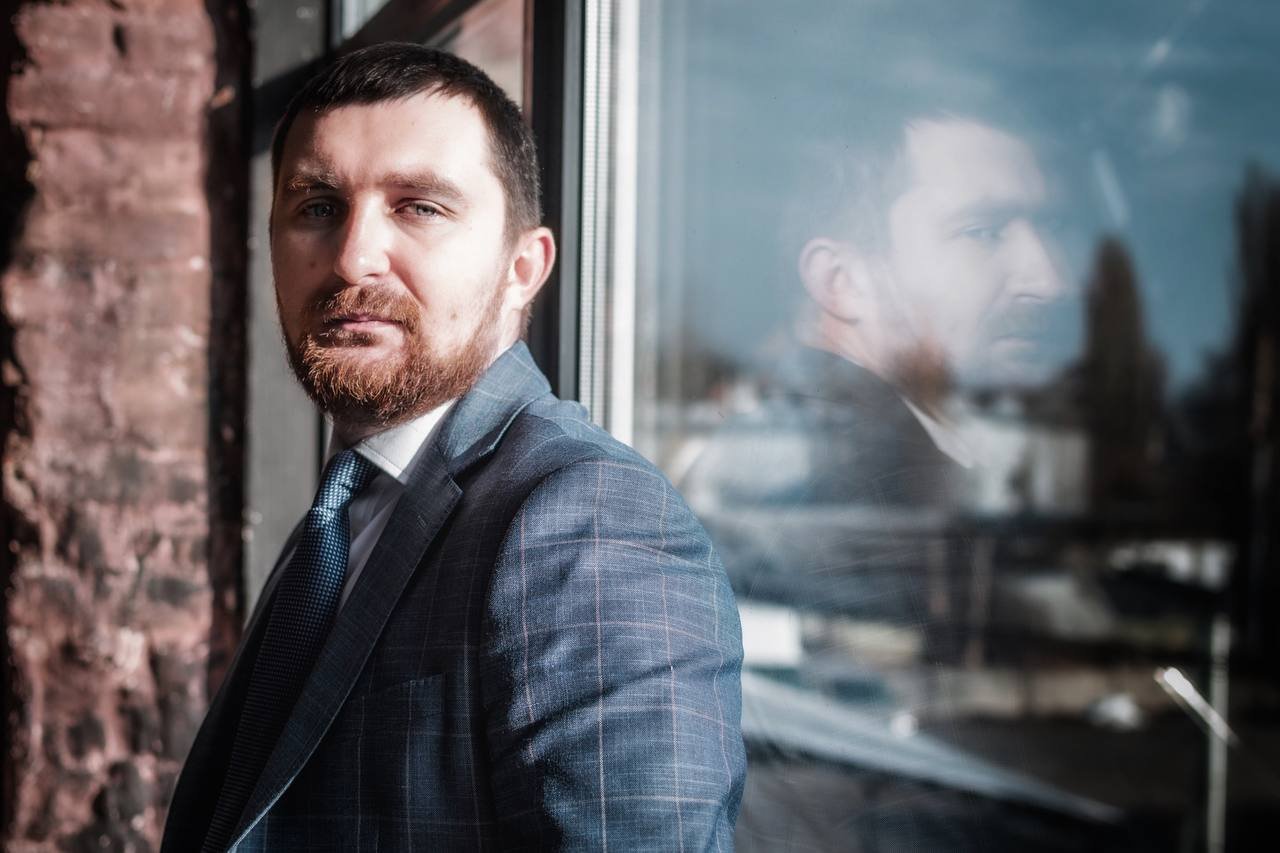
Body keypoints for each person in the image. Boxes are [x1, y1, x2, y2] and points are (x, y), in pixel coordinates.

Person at [162, 43, 745, 852]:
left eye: (420, 208)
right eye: (318, 206)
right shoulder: (342, 515)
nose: (353, 256)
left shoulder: (592, 520)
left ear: (522, 268)